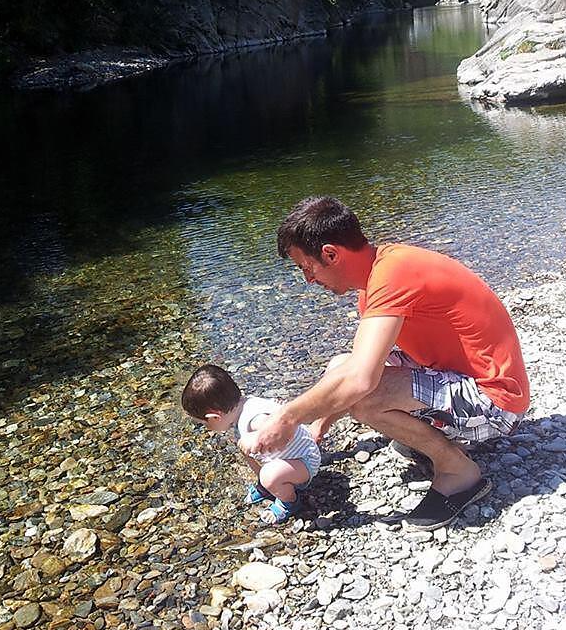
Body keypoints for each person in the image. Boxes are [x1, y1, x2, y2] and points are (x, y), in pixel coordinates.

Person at [251, 196, 530, 530]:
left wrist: (286, 418)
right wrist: (318, 427)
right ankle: (436, 440)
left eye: (306, 268)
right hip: (464, 378)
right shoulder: (381, 274)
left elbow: (361, 381)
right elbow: (353, 368)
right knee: (339, 366)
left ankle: (459, 472)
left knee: (364, 398)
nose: (309, 280)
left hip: (497, 403)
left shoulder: (392, 277)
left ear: (330, 253)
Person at [181, 364, 321, 525]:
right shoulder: (243, 404)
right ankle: (266, 486)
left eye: (205, 424)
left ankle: (289, 502)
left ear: (215, 417)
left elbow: (284, 431)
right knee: (244, 447)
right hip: (291, 459)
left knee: (269, 474)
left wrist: (257, 437)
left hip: (305, 461)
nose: (207, 428)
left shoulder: (255, 420)